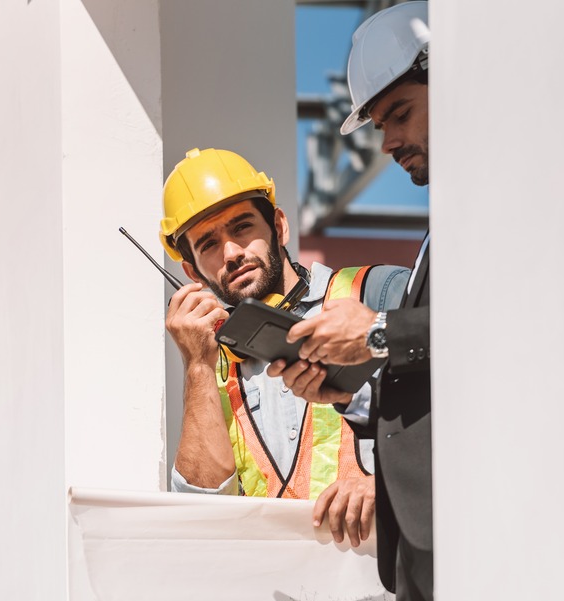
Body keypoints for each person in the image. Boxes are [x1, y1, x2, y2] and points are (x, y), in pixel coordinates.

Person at [267, 3, 434, 601]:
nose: (388, 141)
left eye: (400, 113)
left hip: (466, 541)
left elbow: (516, 328)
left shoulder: (508, 205)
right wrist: (351, 386)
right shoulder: (442, 231)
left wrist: (377, 330)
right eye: (379, 124)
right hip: (421, 552)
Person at [161, 147, 409, 548]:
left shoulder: (380, 293)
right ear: (191, 272)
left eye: (242, 227)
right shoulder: (212, 363)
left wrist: (388, 482)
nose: (232, 253)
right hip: (275, 596)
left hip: (385, 588)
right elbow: (198, 513)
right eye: (208, 243)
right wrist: (198, 366)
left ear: (278, 226)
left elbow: (464, 417)